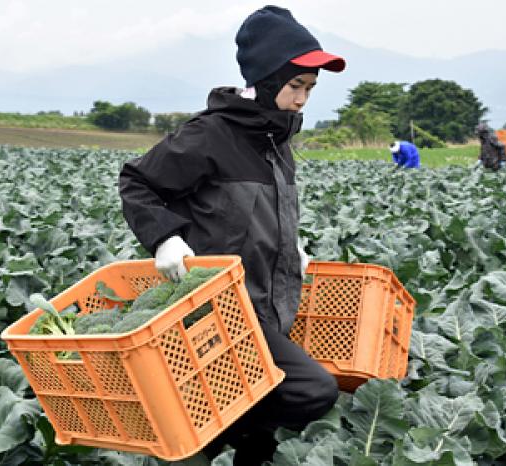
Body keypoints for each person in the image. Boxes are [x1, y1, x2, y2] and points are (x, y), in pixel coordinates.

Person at [118, 5, 345, 464]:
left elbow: (258, 212)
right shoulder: (209, 135)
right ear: (265, 80)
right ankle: (199, 443)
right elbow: (137, 182)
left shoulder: (275, 140)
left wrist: (289, 246)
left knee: (259, 441)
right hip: (217, 311)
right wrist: (165, 238)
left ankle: (213, 442)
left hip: (265, 304)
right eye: (295, 85)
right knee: (312, 390)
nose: (302, 99)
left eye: (310, 89)